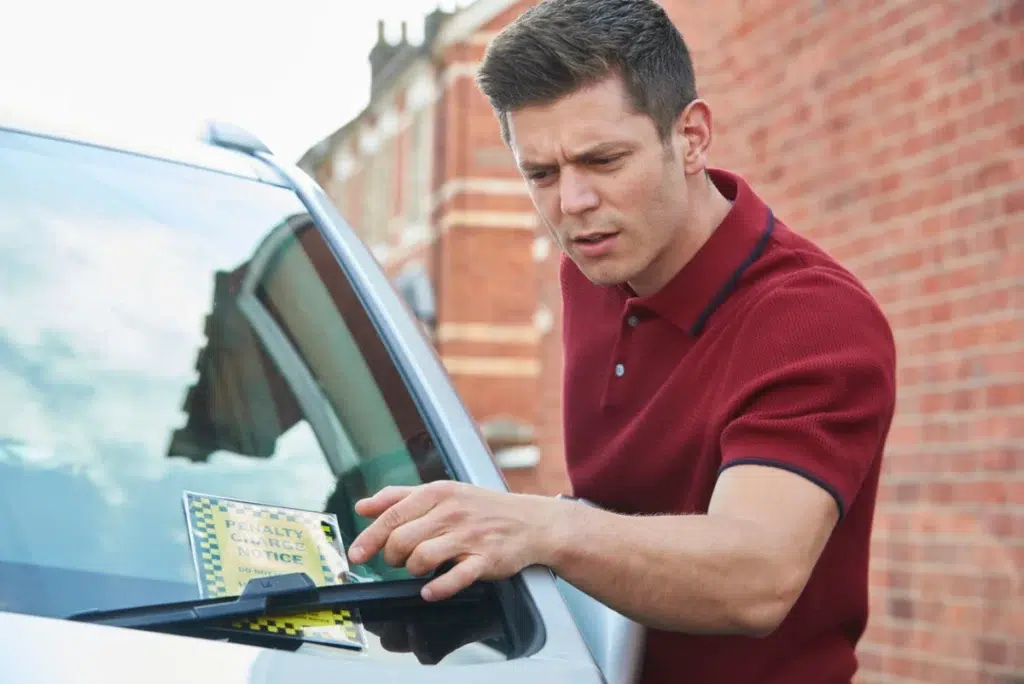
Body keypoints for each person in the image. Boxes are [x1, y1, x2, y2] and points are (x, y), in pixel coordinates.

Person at [347, 0, 897, 681]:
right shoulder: (595, 268)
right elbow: (607, 526)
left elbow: (758, 576)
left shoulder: (813, 321)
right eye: (540, 174)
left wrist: (543, 528)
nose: (571, 203)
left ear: (692, 137)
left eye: (603, 160)